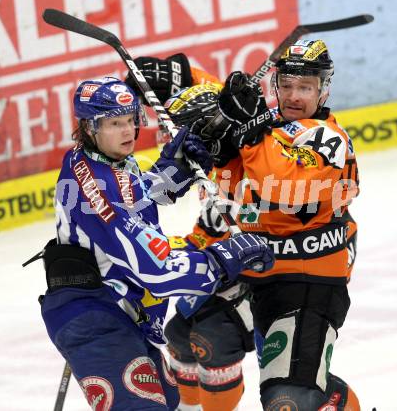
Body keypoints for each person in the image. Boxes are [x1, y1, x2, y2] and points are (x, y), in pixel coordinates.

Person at [126, 44, 360, 411]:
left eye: (306, 87)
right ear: (276, 85)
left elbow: (284, 185)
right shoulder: (264, 126)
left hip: (308, 275)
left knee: (291, 399)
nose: (295, 96)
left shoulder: (324, 138)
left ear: (323, 90)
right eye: (287, 84)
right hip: (254, 267)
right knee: (187, 336)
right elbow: (230, 103)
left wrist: (246, 132)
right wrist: (183, 80)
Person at [32, 76, 274, 410]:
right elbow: (156, 270)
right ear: (89, 127)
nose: (128, 131)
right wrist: (222, 259)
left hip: (112, 312)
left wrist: (174, 172)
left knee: (171, 401)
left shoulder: (98, 161)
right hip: (93, 319)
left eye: (131, 120)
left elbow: (139, 197)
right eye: (115, 123)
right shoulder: (96, 187)